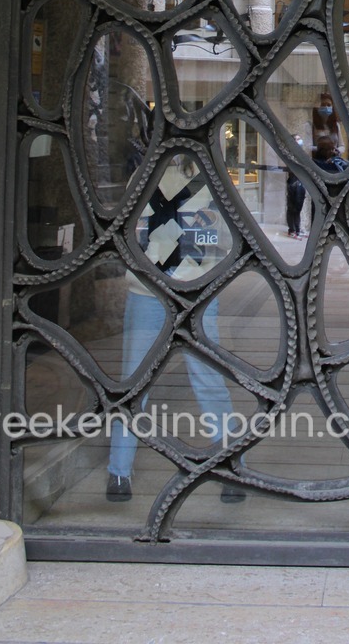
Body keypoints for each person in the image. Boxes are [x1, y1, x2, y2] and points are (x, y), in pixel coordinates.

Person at [106, 155, 244, 504]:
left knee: (142, 381)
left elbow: (128, 231)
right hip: (174, 288)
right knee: (149, 382)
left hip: (166, 288)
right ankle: (226, 464)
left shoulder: (146, 172)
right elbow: (226, 236)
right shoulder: (206, 174)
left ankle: (120, 470)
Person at [286, 136, 306, 239]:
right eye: (297, 139)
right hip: (293, 182)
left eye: (299, 138)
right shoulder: (290, 153)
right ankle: (292, 230)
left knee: (298, 208)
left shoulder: (300, 153)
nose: (300, 140)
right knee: (292, 208)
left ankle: (298, 229)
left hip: (300, 182)